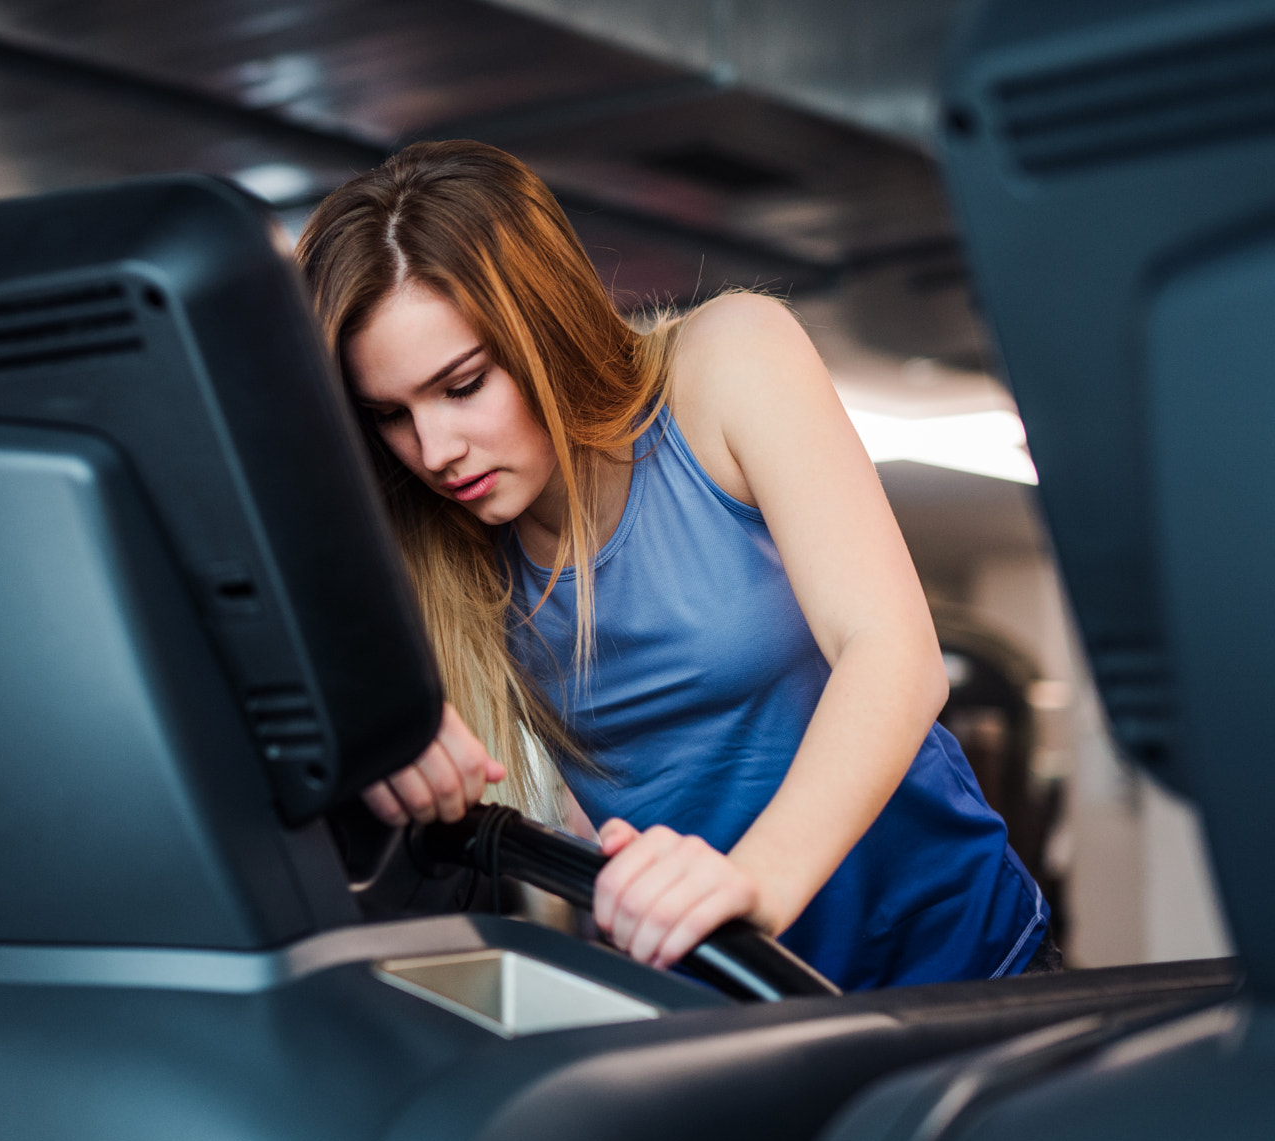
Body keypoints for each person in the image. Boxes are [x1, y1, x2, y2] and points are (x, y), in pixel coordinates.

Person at [296, 140, 1050, 991]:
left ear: (544, 328)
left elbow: (894, 655)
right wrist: (375, 720)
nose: (435, 450)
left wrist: (754, 883)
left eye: (464, 385)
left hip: (969, 965)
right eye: (392, 415)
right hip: (741, 1009)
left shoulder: (725, 363)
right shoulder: (435, 548)